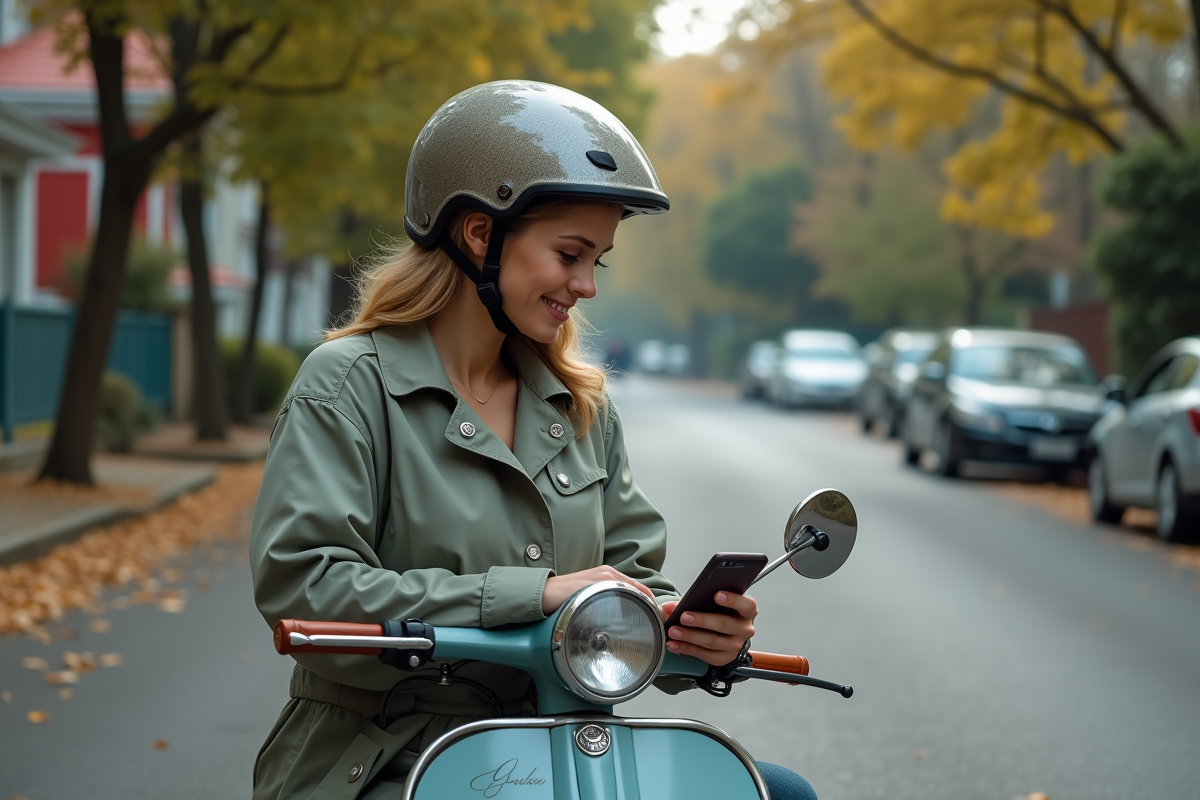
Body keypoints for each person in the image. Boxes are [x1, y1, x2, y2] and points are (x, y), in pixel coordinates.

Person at [249, 80, 817, 800]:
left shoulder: (582, 405)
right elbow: (306, 584)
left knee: (779, 793)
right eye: (570, 253)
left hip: (568, 745)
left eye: (597, 261)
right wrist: (538, 595)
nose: (586, 285)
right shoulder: (348, 386)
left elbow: (631, 582)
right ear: (480, 234)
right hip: (389, 749)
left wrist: (694, 636)